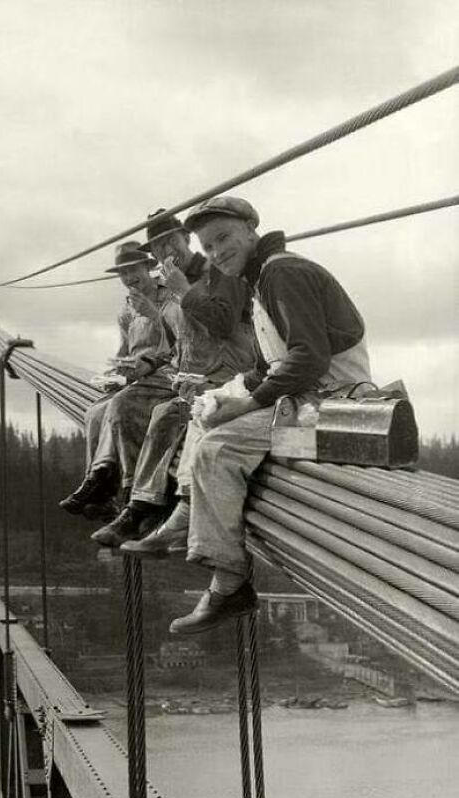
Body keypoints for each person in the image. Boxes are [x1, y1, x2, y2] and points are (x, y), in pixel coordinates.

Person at [161, 196, 370, 635]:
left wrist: (248, 404)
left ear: (251, 230)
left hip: (330, 401)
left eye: (224, 238)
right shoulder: (262, 279)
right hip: (302, 393)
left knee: (217, 451)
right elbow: (266, 365)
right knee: (207, 408)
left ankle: (228, 585)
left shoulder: (281, 274)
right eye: (208, 246)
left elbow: (308, 359)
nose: (217, 252)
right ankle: (186, 513)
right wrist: (221, 394)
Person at [90, 208, 255, 547]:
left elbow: (223, 325)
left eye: (171, 242)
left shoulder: (218, 272)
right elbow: (182, 338)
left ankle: (140, 509)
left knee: (163, 414)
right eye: (159, 249)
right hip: (193, 378)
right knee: (127, 410)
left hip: (229, 378)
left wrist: (182, 292)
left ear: (186, 238)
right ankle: (134, 504)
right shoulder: (170, 281)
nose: (167, 253)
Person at [59, 241, 180, 519]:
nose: (128, 278)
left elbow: (182, 345)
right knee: (94, 412)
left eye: (133, 270)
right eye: (122, 273)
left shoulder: (171, 299)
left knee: (120, 405)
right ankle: (96, 480)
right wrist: (115, 373)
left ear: (148, 268)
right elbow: (125, 350)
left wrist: (154, 315)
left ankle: (124, 487)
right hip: (137, 380)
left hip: (166, 377)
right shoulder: (126, 310)